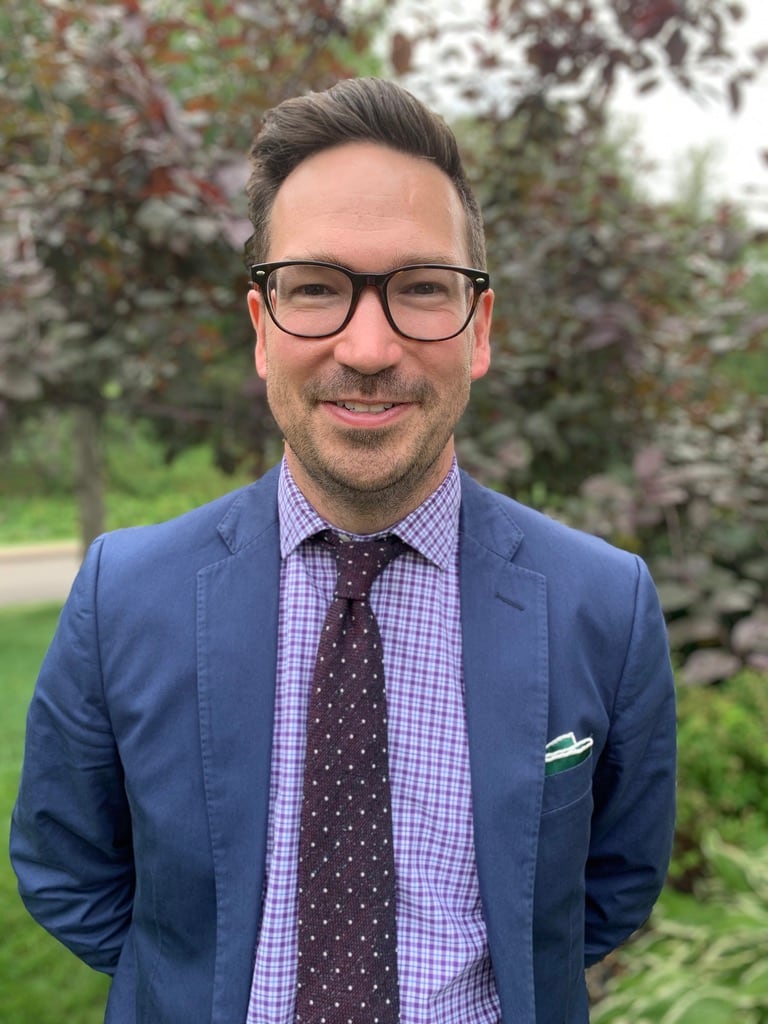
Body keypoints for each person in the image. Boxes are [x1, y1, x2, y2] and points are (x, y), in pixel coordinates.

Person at [10, 77, 676, 1024]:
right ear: (261, 330)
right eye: (317, 288)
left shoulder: (603, 606)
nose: (367, 346)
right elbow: (66, 866)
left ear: (478, 330)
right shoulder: (126, 594)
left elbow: (607, 892)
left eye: (420, 289)